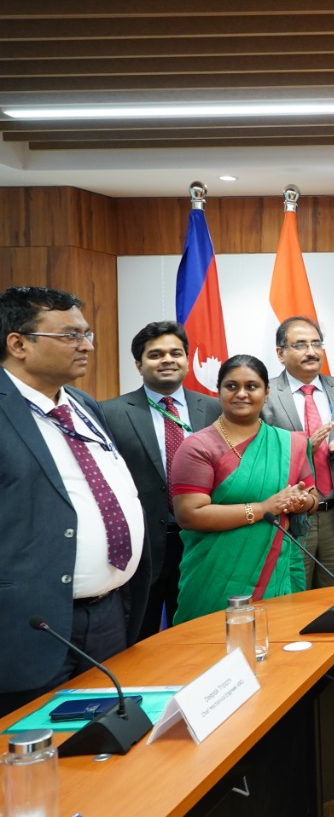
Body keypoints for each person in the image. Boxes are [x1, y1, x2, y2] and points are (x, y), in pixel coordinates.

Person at [0, 286, 148, 716]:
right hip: (29, 625)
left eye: (88, 334)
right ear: (19, 343)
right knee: (37, 763)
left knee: (105, 747)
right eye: (69, 336)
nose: (86, 346)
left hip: (107, 614)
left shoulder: (81, 404)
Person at [169, 355, 316, 624]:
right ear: (219, 390)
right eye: (231, 386)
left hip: (275, 569)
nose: (242, 394)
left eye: (251, 386)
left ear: (266, 392)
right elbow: (189, 515)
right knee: (213, 650)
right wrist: (263, 509)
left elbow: (313, 497)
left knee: (279, 651)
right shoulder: (198, 447)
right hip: (214, 574)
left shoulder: (289, 443)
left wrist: (300, 501)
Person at [101, 321, 219, 637]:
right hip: (143, 548)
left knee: (200, 634)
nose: (167, 359)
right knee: (140, 636)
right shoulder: (109, 413)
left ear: (186, 358)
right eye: (155, 354)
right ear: (139, 364)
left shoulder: (214, 409)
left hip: (202, 541)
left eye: (175, 353)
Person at [261, 316, 334, 588]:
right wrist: (304, 448)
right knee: (294, 602)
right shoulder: (265, 394)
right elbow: (257, 456)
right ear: (280, 353)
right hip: (290, 515)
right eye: (300, 345)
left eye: (316, 343)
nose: (311, 351)